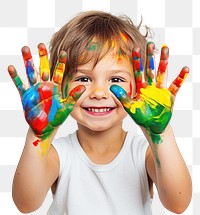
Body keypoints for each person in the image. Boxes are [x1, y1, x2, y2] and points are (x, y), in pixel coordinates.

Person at [8, 11, 192, 215]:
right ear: (59, 86)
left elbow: (178, 203)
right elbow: (26, 203)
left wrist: (160, 135)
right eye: (84, 79)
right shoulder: (58, 155)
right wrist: (38, 137)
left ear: (138, 89)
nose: (98, 92)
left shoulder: (144, 153)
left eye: (116, 80)